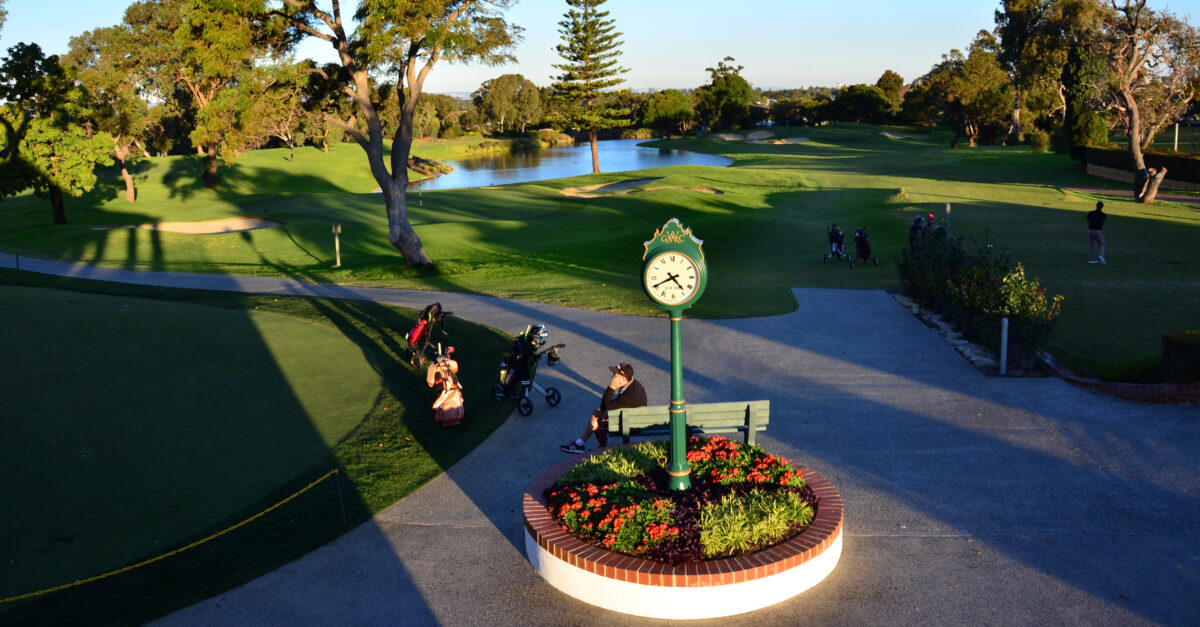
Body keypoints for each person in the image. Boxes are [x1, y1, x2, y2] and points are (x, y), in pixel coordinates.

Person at [559, 363, 647, 454]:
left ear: (624, 378)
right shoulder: (635, 384)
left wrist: (612, 387)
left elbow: (604, 406)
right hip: (634, 417)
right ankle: (580, 444)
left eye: (616, 375)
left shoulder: (628, 397)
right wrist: (606, 411)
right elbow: (611, 406)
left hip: (629, 424)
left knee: (596, 418)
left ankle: (593, 446)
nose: (613, 377)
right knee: (599, 413)